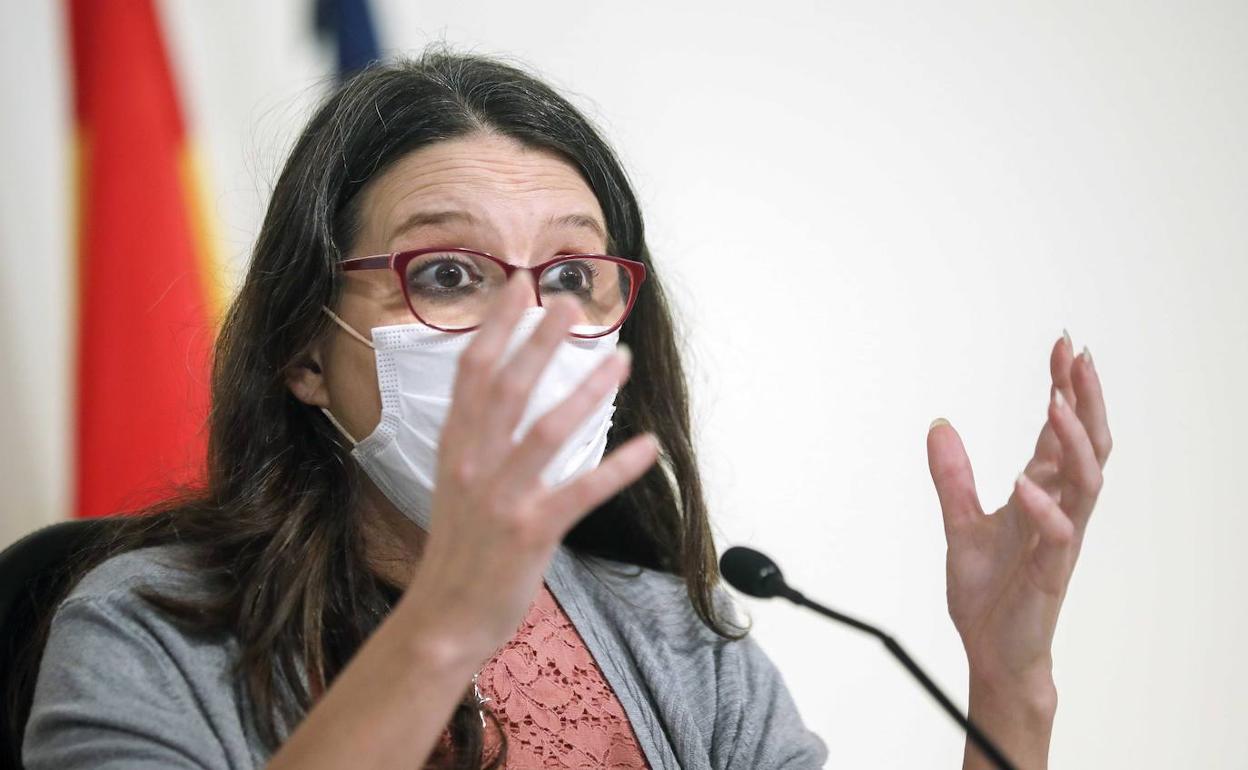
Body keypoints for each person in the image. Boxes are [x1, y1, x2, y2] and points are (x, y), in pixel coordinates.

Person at [18, 47, 1111, 770]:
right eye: (449, 273)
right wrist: (448, 618)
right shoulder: (143, 627)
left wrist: (1007, 680)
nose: (525, 330)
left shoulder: (678, 639)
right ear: (307, 349)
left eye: (570, 277)